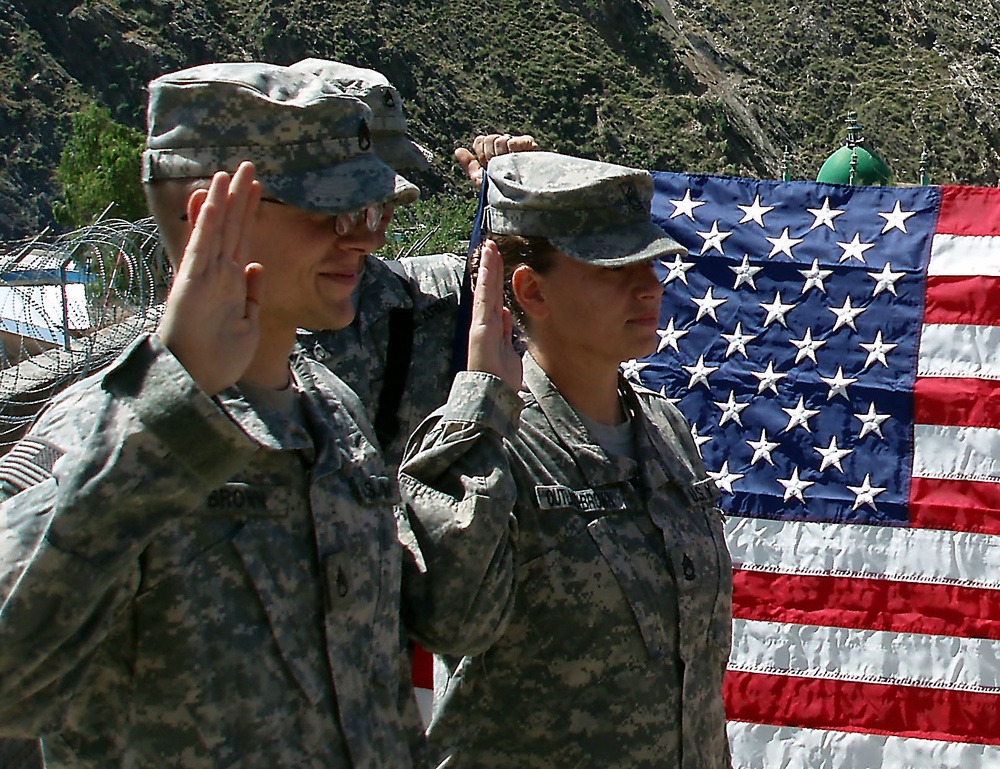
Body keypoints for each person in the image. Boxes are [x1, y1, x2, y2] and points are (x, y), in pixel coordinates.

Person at [0, 61, 511, 768]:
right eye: (334, 211)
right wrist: (166, 416)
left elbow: (433, 637)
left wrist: (481, 408)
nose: (367, 239)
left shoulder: (332, 414)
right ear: (207, 213)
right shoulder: (95, 436)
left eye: (374, 212)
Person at [398, 151, 733, 768]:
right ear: (531, 290)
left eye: (650, 263)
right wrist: (481, 407)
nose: (648, 286)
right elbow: (450, 619)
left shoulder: (664, 431)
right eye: (613, 269)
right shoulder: (488, 442)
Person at [289, 58, 539, 473]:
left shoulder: (434, 299)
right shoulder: (194, 351)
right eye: (355, 190)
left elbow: (555, 332)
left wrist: (529, 223)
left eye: (389, 183)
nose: (378, 221)